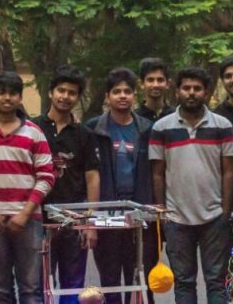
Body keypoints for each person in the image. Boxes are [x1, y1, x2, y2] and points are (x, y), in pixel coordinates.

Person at [150, 67, 233, 304]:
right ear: (177, 91)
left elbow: (229, 171)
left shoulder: (222, 125)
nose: (191, 93)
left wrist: (225, 212)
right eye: (186, 88)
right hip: (176, 219)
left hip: (215, 217)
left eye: (197, 88)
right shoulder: (162, 128)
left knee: (216, 281)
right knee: (184, 282)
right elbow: (157, 173)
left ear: (206, 92)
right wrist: (163, 211)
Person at [0, 72, 55, 304]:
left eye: (13, 93)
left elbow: (47, 176)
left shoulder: (34, 133)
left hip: (28, 221)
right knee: (0, 289)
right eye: (1, 93)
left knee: (31, 288)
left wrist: (25, 214)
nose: (7, 98)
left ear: (20, 97)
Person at [84, 68, 158, 304]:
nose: (123, 96)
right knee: (110, 282)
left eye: (127, 91)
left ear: (135, 95)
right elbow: (89, 175)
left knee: (140, 282)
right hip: (107, 215)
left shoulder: (147, 129)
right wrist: (90, 220)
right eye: (117, 92)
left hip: (139, 214)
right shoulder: (93, 129)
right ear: (107, 96)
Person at [34, 67, 100, 304]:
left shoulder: (84, 134)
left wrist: (90, 222)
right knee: (40, 282)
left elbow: (92, 177)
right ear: (51, 92)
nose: (65, 96)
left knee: (73, 283)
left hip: (75, 219)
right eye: (61, 90)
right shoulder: (33, 128)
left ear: (77, 97)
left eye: (72, 93)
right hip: (40, 219)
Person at [136, 57, 174, 122]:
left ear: (168, 83)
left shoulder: (176, 116)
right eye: (150, 80)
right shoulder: (135, 119)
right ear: (141, 84)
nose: (155, 85)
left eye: (160, 80)